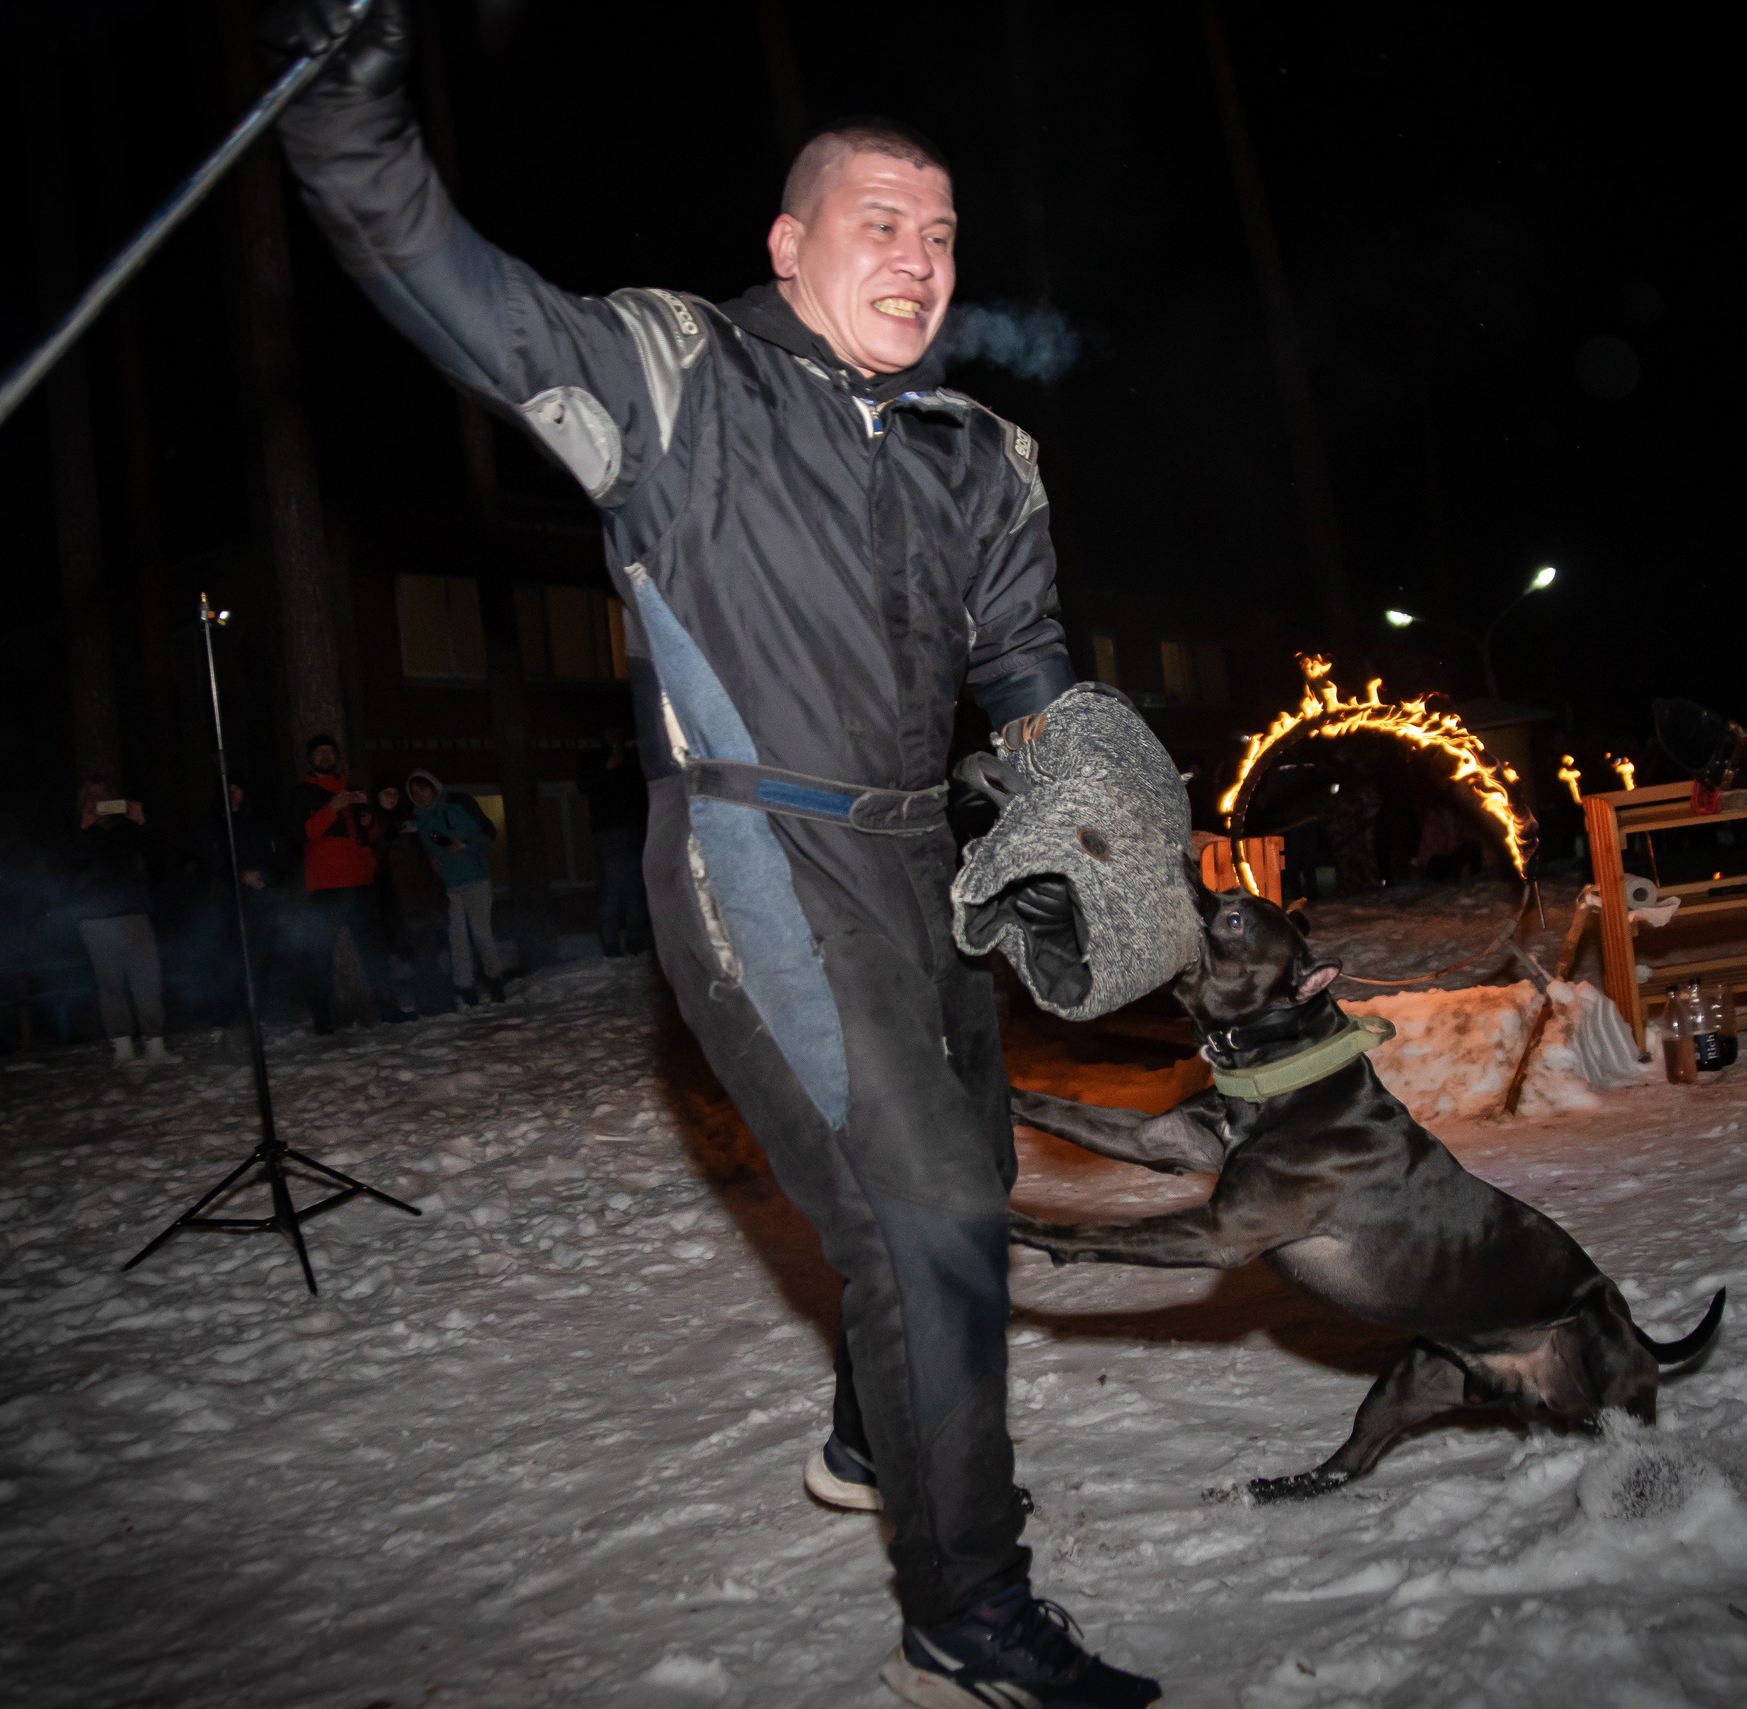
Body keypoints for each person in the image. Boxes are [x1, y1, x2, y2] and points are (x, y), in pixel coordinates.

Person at [267, 6, 1156, 1701]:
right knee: (929, 1219)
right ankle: (964, 1612)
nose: (918, 256)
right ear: (790, 240)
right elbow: (431, 267)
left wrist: (1089, 800)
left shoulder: (984, 454)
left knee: (957, 1176)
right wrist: (345, 112)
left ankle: (870, 1433)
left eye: (943, 230)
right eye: (879, 222)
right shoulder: (675, 380)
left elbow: (1024, 663)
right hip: (758, 851)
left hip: (924, 873)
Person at [293, 734, 409, 1033]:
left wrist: (370, 826)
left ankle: (388, 1008)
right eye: (319, 752)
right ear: (310, 759)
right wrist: (331, 807)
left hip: (359, 882)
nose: (325, 756)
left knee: (374, 951)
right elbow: (301, 833)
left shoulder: (354, 789)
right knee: (320, 956)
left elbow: (365, 837)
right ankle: (322, 1019)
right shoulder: (303, 792)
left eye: (329, 752)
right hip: (324, 886)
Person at [72, 778, 181, 1067]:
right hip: (96, 918)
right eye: (91, 795)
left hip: (134, 912)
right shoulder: (74, 832)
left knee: (147, 980)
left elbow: (159, 864)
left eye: (104, 794)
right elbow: (67, 870)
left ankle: (155, 1044)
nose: (98, 800)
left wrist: (141, 823)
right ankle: (122, 1047)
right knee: (110, 984)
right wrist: (84, 830)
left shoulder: (128, 830)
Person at [406, 769, 505, 1003]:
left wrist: (466, 845)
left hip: (475, 878)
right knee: (456, 938)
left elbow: (488, 832)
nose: (419, 795)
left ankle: (495, 979)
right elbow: (425, 849)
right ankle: (465, 986)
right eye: (414, 792)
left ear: (433, 787)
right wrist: (432, 857)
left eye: (423, 789)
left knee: (482, 934)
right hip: (447, 885)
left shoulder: (458, 803)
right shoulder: (420, 820)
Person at [206, 780, 285, 1029]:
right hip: (227, 900)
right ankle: (225, 1018)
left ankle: (257, 1015)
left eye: (238, 787)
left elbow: (274, 854)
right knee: (230, 959)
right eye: (228, 787)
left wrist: (264, 877)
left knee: (260, 958)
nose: (234, 793)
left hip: (258, 899)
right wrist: (238, 876)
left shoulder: (257, 821)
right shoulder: (213, 822)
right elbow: (209, 858)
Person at [372, 779, 455, 1015]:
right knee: (421, 954)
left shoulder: (410, 823)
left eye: (395, 793)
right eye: (386, 792)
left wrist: (447, 844)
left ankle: (433, 1002)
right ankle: (433, 1002)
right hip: (399, 900)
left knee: (427, 952)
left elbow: (430, 843)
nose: (391, 797)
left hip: (424, 896)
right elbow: (376, 862)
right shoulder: (373, 824)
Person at [578, 726, 651, 956]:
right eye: (609, 731)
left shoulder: (633, 759)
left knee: (634, 889)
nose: (614, 735)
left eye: (617, 731)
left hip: (634, 830)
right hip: (608, 831)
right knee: (611, 888)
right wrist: (609, 764)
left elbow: (643, 789)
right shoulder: (593, 758)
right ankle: (610, 943)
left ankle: (635, 940)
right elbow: (585, 785)